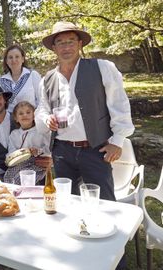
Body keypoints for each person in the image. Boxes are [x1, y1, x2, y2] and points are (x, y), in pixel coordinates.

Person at [35, 21, 135, 201]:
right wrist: (46, 118)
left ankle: (110, 230)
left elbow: (119, 104)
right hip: (62, 151)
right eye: (60, 42)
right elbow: (41, 108)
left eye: (71, 41)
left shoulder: (102, 68)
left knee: (104, 202)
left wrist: (118, 141)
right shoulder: (47, 79)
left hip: (95, 149)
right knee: (66, 202)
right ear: (54, 48)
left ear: (80, 44)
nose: (66, 47)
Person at [3, 101, 51, 184]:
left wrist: (38, 151)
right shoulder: (14, 134)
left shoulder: (40, 131)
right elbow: (11, 151)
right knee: (8, 176)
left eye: (28, 112)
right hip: (20, 163)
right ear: (16, 118)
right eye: (21, 113)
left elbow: (48, 148)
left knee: (21, 178)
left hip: (37, 163)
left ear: (34, 116)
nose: (25, 115)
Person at [0, 44, 42, 113]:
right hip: (10, 121)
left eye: (17, 57)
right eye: (10, 57)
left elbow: (41, 100)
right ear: (6, 61)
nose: (14, 60)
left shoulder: (33, 75)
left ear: (22, 59)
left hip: (31, 119)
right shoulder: (1, 81)